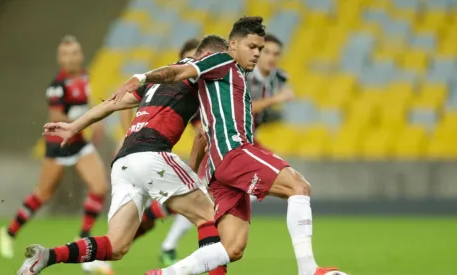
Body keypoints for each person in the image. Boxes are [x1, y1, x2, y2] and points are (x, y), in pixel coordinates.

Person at [111, 16, 346, 275]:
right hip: (233, 152)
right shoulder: (223, 61)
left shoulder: (237, 77)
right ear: (232, 45)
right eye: (252, 47)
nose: (257, 53)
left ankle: (165, 273)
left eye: (261, 48)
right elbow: (179, 72)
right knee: (299, 186)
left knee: (232, 247)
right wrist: (141, 77)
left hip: (218, 168)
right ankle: (308, 269)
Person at [16, 35, 230, 275]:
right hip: (153, 155)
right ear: (211, 57)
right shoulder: (201, 75)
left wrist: (74, 126)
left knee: (116, 245)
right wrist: (191, 169)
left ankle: (48, 256)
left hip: (124, 162)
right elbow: (203, 134)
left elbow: (113, 103)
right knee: (213, 218)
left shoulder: (157, 80)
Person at [0, 34, 113, 275]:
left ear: (80, 55)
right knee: (43, 194)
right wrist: (86, 121)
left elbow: (85, 102)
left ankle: (82, 238)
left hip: (79, 142)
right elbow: (56, 118)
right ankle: (9, 232)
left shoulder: (84, 75)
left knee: (100, 187)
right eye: (67, 54)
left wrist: (96, 120)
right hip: (58, 145)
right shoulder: (57, 85)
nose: (72, 57)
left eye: (75, 53)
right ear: (60, 59)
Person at [126, 38, 200, 266]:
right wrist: (128, 135)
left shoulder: (196, 88)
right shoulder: (168, 87)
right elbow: (122, 101)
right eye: (188, 58)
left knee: (197, 205)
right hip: (152, 156)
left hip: (162, 157)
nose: (192, 63)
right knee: (144, 215)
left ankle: (167, 247)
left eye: (197, 59)